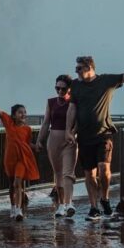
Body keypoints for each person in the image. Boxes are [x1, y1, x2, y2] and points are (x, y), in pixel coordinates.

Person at [65, 56, 124, 220]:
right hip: (84, 136)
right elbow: (72, 109)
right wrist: (69, 130)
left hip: (104, 133)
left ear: (89, 67)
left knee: (103, 169)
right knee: (89, 174)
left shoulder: (106, 81)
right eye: (76, 69)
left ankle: (105, 198)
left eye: (79, 68)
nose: (77, 72)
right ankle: (94, 207)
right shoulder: (75, 85)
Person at [0, 88, 40, 220]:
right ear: (13, 115)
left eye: (24, 112)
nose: (23, 115)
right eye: (20, 113)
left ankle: (18, 210)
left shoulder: (28, 129)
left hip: (22, 159)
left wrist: (36, 146)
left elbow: (27, 143)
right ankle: (13, 206)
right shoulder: (9, 124)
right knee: (12, 184)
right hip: (10, 159)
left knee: (18, 183)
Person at [35, 74, 77, 218]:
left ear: (69, 89)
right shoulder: (51, 102)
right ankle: (60, 205)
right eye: (57, 88)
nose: (59, 91)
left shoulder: (74, 101)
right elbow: (46, 122)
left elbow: (78, 120)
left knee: (68, 173)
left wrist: (73, 132)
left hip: (69, 140)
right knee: (58, 173)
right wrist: (39, 140)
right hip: (53, 139)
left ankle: (69, 203)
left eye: (63, 89)